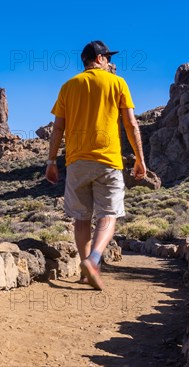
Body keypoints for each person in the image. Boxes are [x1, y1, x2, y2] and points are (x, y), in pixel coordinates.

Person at [45, 40, 146, 290]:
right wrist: (140, 159)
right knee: (108, 215)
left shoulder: (68, 86)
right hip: (108, 160)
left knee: (81, 218)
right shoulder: (118, 83)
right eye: (108, 58)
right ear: (100, 59)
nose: (112, 63)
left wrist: (51, 161)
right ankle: (94, 259)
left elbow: (58, 128)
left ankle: (84, 267)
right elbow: (131, 125)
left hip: (76, 161)